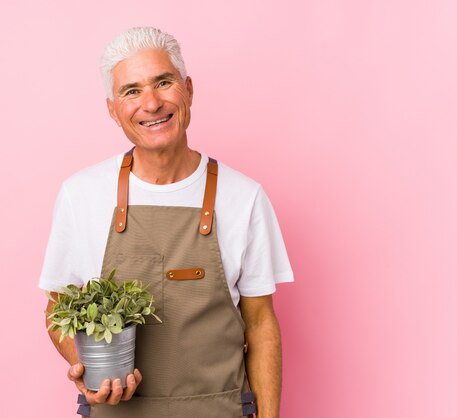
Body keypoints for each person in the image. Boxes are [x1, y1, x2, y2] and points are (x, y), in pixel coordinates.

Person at [39, 26, 294, 418]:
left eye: (164, 82)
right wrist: (86, 366)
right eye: (132, 91)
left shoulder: (245, 198)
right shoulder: (81, 194)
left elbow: (260, 323)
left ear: (188, 89)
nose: (152, 103)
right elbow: (57, 307)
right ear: (112, 109)